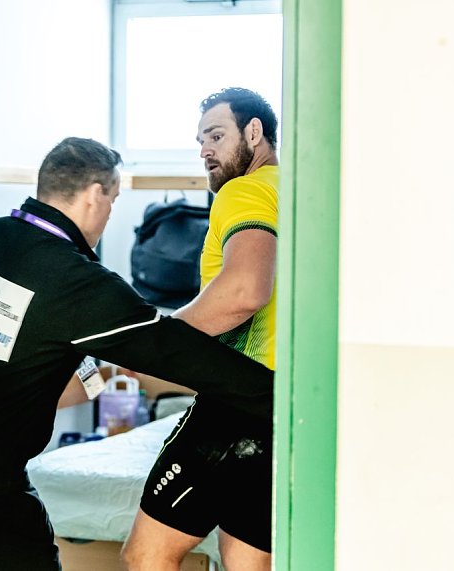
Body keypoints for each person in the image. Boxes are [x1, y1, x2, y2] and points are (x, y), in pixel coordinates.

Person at [0, 136, 274, 570]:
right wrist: (280, 397)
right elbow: (177, 352)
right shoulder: (81, 286)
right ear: (96, 194)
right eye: (114, 199)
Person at [122, 88, 279, 571]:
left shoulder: (244, 190)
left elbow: (245, 291)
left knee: (146, 557)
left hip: (234, 406)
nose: (205, 150)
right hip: (282, 407)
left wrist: (154, 344)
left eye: (216, 135)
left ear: (254, 133)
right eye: (200, 140)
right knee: (244, 561)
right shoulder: (296, 192)